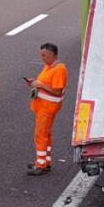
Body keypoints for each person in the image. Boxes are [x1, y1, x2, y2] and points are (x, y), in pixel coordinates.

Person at [27, 43, 68, 175]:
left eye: (44, 55)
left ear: (52, 54)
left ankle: (41, 165)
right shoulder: (50, 67)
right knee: (46, 135)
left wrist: (40, 85)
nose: (42, 58)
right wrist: (36, 83)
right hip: (43, 107)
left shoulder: (58, 69)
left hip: (48, 108)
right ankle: (45, 161)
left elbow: (57, 91)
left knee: (41, 135)